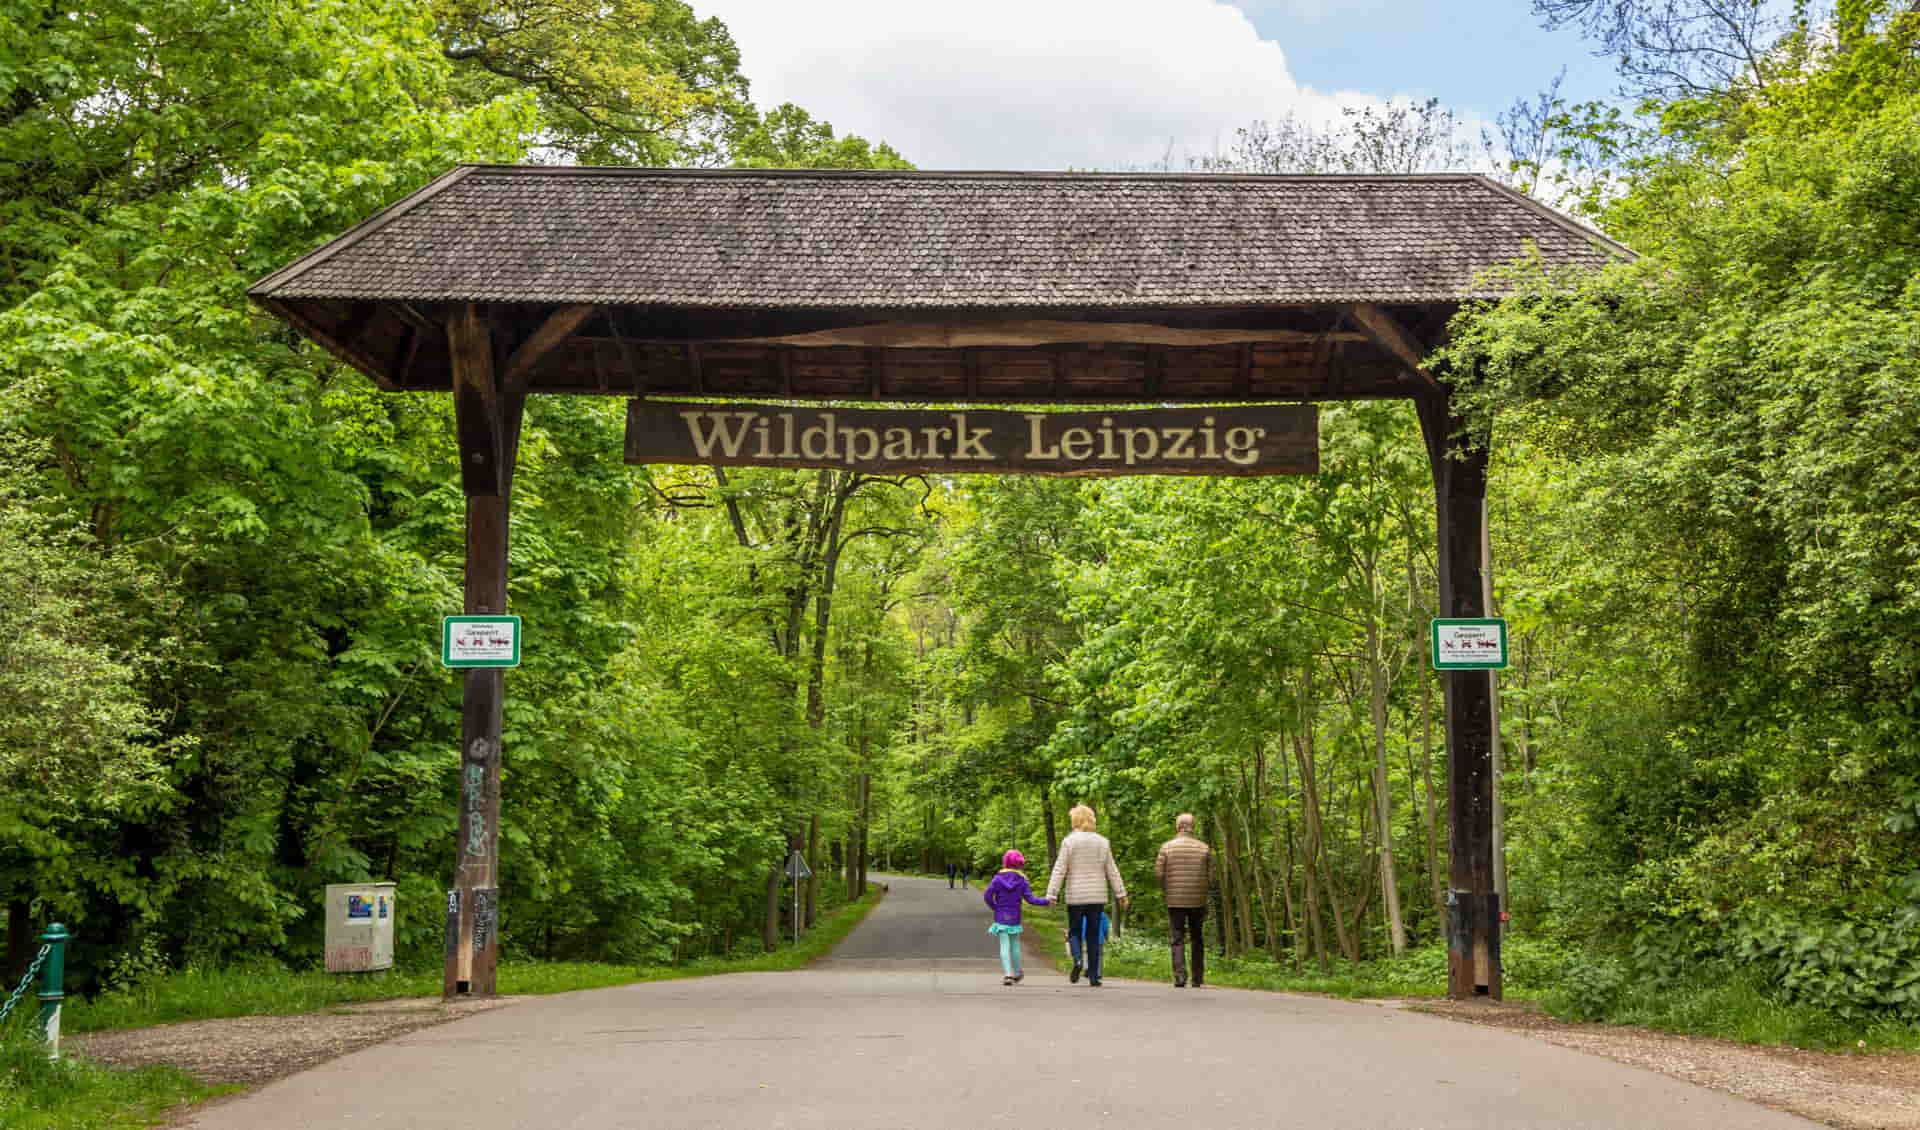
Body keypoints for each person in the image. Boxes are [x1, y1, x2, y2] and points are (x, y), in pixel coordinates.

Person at [1045, 804, 1128, 987]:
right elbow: (1112, 870)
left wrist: (1052, 894)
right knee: (1092, 934)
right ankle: (1093, 976)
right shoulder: (1102, 842)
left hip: (1076, 896)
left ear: (1075, 819)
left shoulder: (1069, 842)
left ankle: (1077, 961)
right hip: (1097, 896)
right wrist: (1121, 893)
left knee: (1075, 931)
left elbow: (1060, 869)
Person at [1155, 812, 1214, 988]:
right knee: (1197, 937)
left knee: (1177, 937)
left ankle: (1180, 976)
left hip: (1175, 900)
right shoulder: (1204, 848)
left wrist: (1166, 889)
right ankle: (1197, 977)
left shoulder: (1167, 847)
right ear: (1192, 827)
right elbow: (1212, 876)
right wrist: (1203, 890)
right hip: (1198, 900)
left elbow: (1159, 873)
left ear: (1178, 826)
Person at [982, 850, 1051, 986]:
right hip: (1015, 917)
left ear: (1005, 862)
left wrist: (996, 908)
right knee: (1014, 946)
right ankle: (1018, 972)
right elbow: (1031, 899)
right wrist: (1047, 901)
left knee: (1004, 945)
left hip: (1001, 916)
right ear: (1019, 864)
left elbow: (987, 896)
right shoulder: (1022, 880)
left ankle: (1008, 974)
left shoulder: (997, 879)